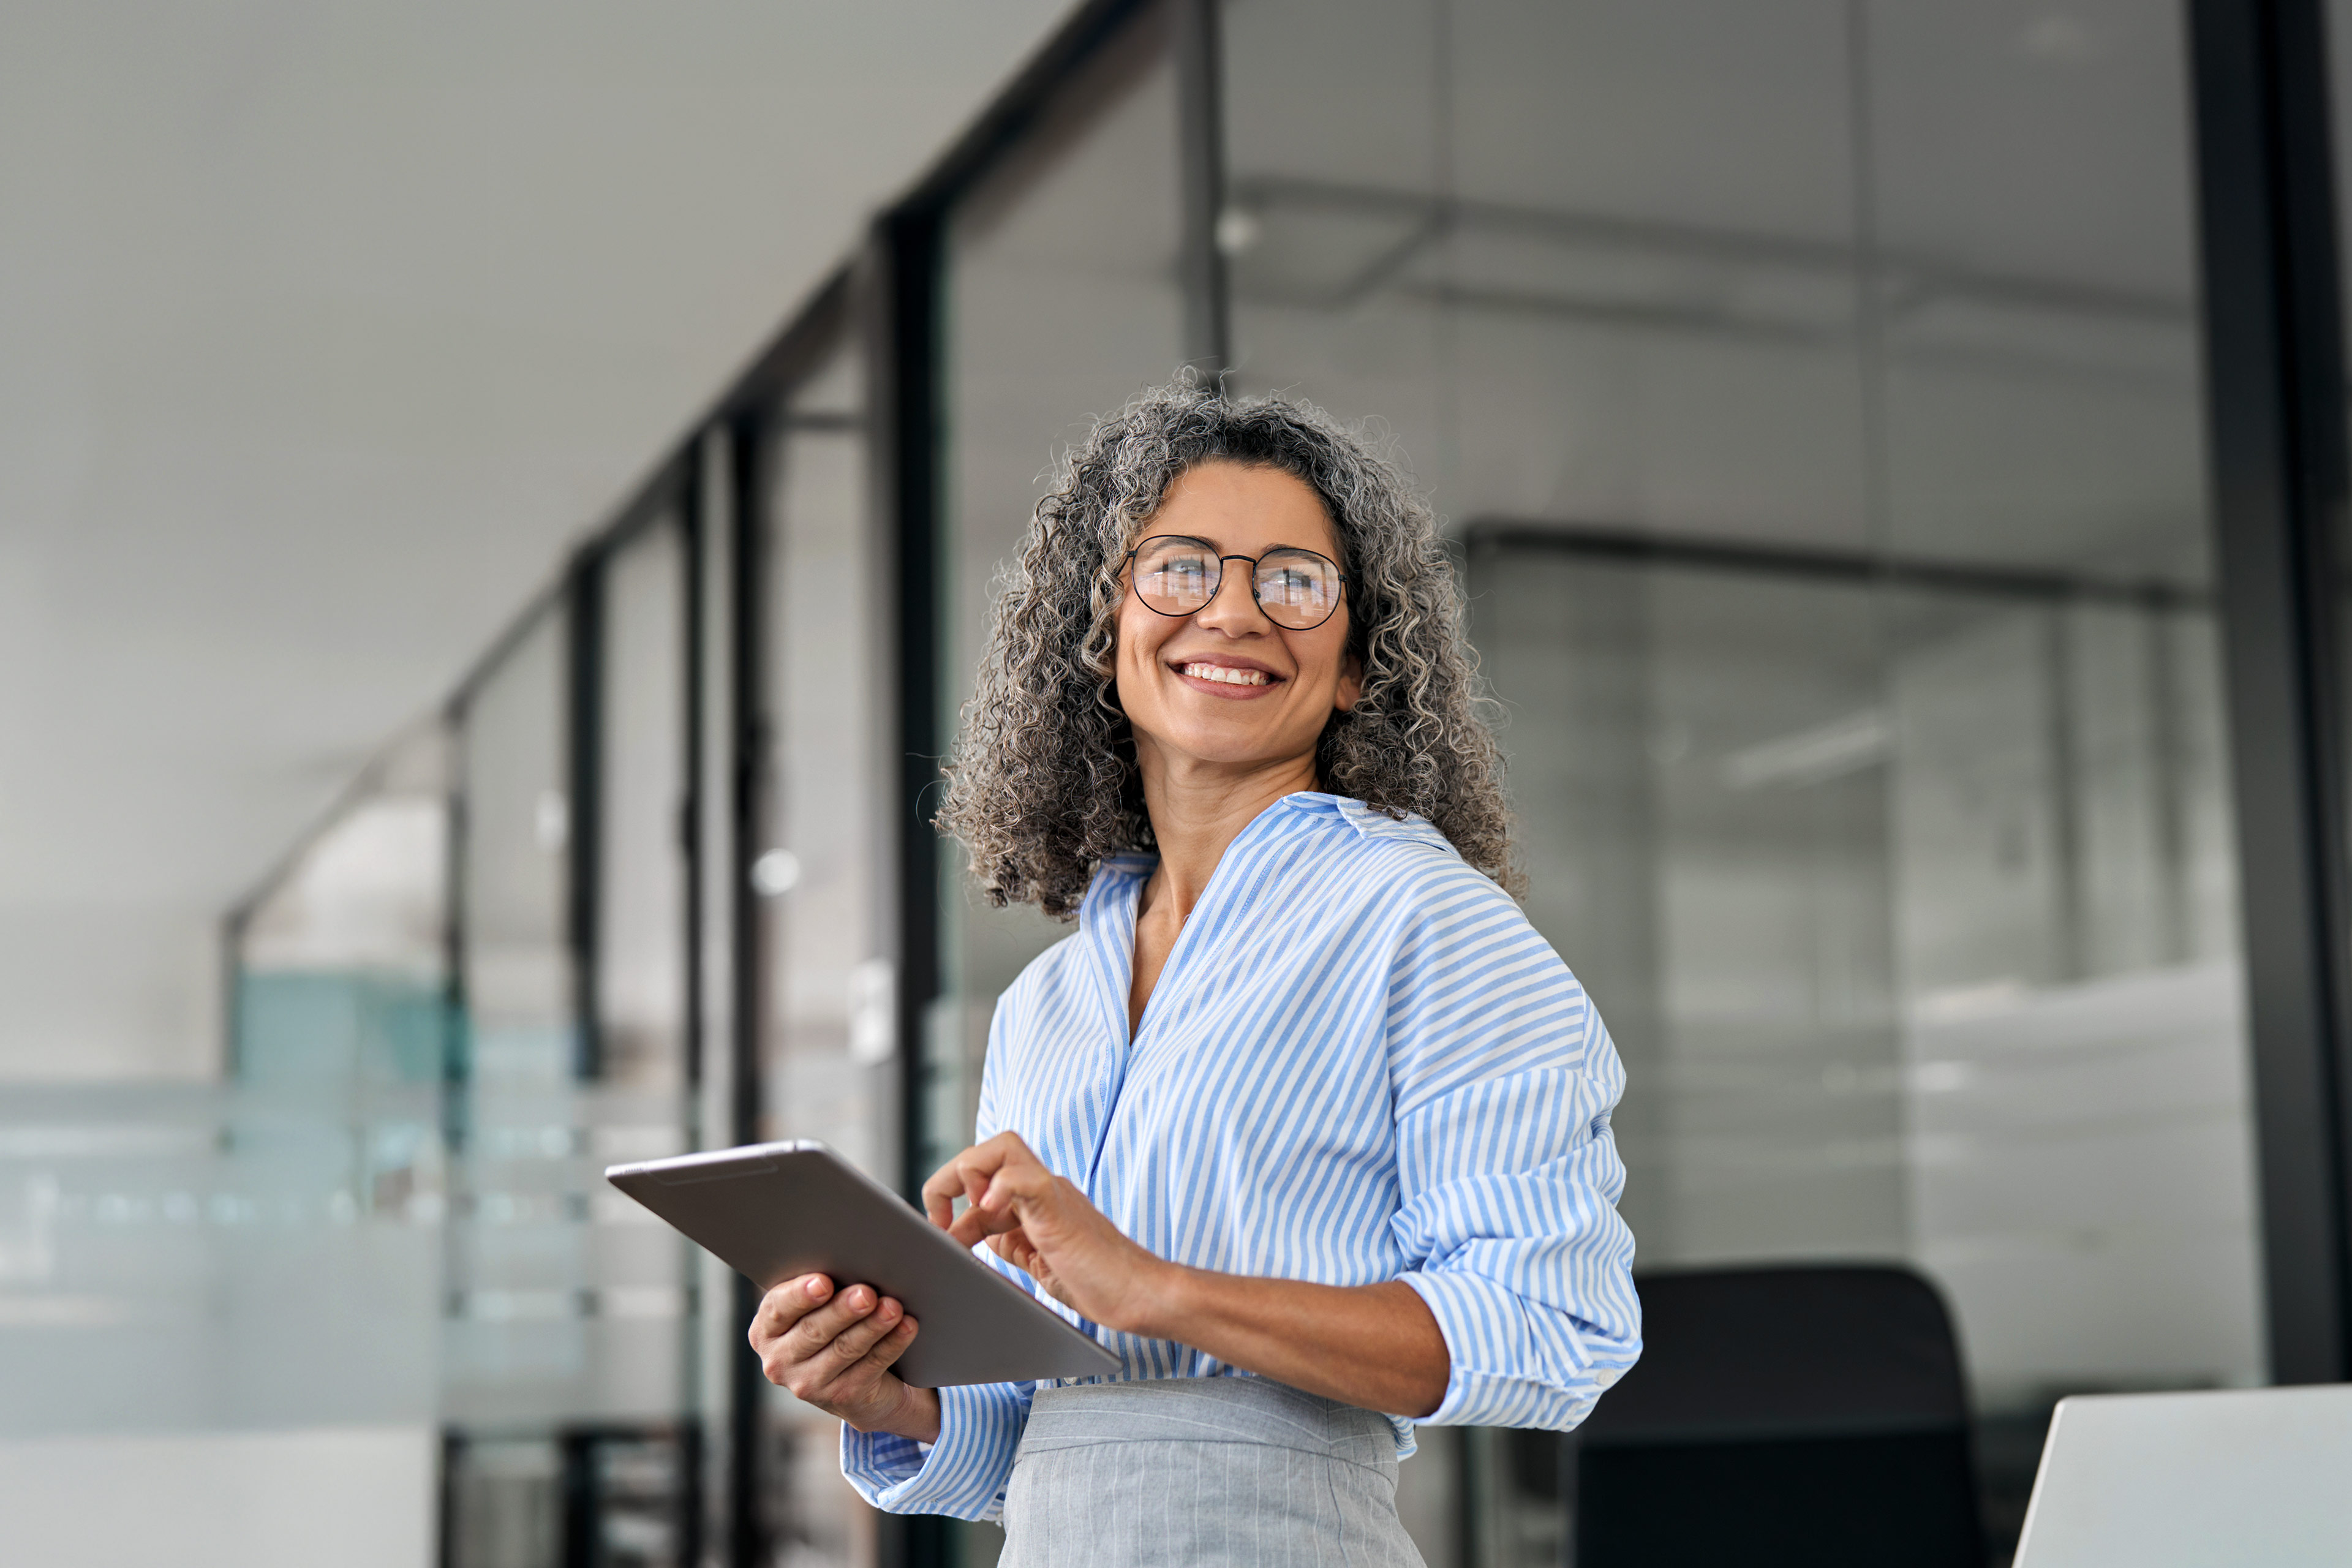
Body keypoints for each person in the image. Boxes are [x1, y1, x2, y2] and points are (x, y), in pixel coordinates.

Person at [748, 382, 1640, 1564]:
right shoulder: (1048, 1005)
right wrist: (887, 1396)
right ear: (1102, 629)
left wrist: (1157, 1287)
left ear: (1362, 663)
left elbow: (1551, 1329)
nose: (1232, 612)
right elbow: (1046, 1434)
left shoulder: (1427, 923)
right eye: (1179, 568)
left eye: (1293, 581)